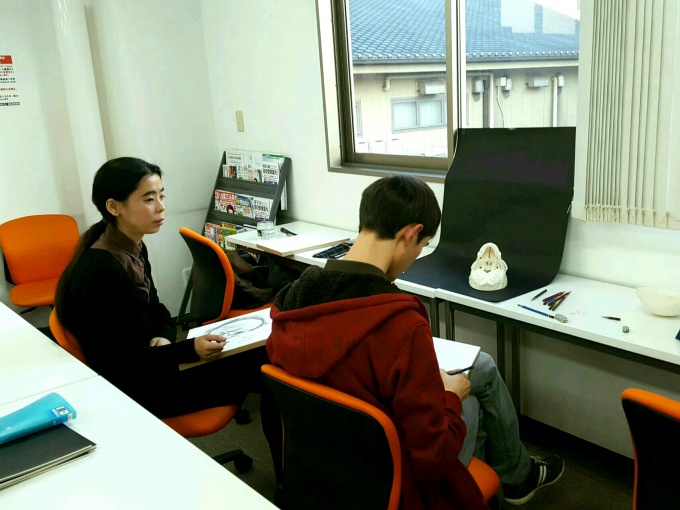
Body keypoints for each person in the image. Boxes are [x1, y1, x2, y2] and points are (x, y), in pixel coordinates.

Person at [266, 175, 564, 509]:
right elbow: (432, 458)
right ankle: (506, 481)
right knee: (470, 403)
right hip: (396, 479)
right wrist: (449, 397)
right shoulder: (400, 325)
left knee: (479, 369)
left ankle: (516, 476)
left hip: (325, 466)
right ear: (410, 234)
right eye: (423, 246)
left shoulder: (292, 303)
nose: (417, 256)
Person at [54, 157, 274, 424]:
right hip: (138, 390)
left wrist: (165, 338)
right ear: (113, 206)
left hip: (154, 364)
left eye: (161, 196)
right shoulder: (100, 269)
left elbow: (158, 309)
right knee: (265, 367)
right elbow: (117, 363)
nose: (161, 207)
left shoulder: (132, 247)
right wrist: (189, 350)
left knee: (265, 358)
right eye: (149, 199)